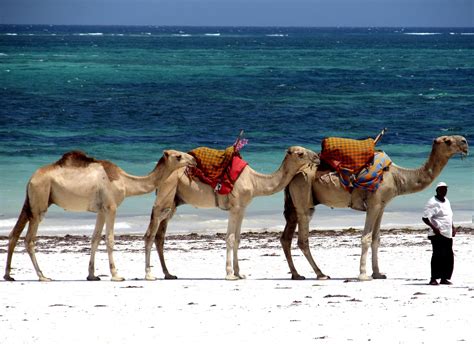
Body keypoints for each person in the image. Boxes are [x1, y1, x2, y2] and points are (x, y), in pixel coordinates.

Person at [422, 182, 456, 285]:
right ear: (437, 190)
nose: (444, 191)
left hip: (447, 233)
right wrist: (434, 228)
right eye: (442, 189)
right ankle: (433, 278)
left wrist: (453, 227)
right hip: (437, 234)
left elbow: (448, 216)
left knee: (448, 256)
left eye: (445, 189)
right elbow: (425, 218)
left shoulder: (447, 201)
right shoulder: (432, 202)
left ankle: (444, 278)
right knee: (437, 256)